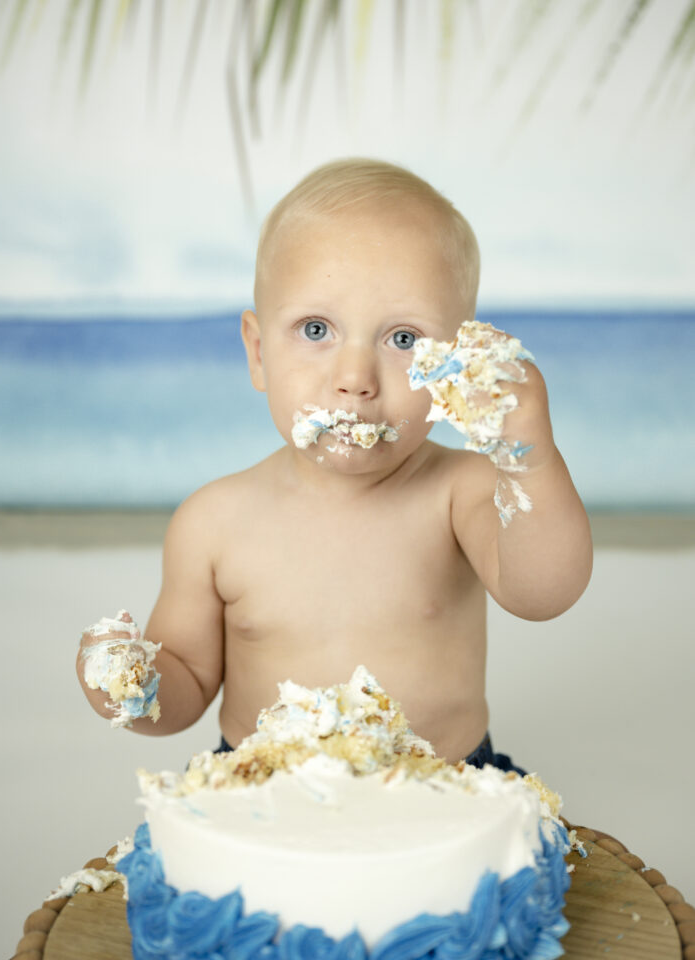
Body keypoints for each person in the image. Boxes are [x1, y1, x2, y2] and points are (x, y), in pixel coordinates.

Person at [75, 157, 593, 770]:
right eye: (316, 329)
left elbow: (544, 593)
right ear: (259, 351)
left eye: (403, 339)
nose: (354, 379)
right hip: (260, 797)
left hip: (443, 793)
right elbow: (185, 681)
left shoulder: (462, 493)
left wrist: (527, 460)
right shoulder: (212, 522)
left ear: (458, 365)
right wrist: (132, 686)